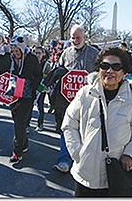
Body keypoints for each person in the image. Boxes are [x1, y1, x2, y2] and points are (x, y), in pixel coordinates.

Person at [61, 47, 132, 197]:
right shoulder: (85, 94)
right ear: (98, 69)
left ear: (124, 72)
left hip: (115, 176)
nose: (110, 71)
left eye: (116, 67)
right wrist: (77, 153)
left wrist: (130, 154)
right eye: (105, 66)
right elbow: (69, 124)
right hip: (84, 175)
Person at [52, 24, 99, 173]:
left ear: (84, 37)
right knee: (67, 128)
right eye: (72, 37)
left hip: (89, 100)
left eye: (78, 37)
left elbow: (101, 75)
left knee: (87, 131)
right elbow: (58, 73)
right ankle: (64, 160)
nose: (75, 40)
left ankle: (84, 161)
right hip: (69, 101)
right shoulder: (66, 54)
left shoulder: (95, 53)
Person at [6, 35, 42, 165]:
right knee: (17, 121)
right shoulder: (10, 59)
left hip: (27, 95)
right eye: (13, 51)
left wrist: (32, 87)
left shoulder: (31, 59)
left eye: (17, 51)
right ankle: (24, 142)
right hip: (14, 93)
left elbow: (39, 75)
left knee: (20, 123)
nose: (15, 54)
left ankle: (17, 151)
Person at [34, 46, 52, 131]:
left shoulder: (47, 64)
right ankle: (26, 125)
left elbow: (49, 76)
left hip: (42, 86)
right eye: (35, 52)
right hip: (32, 85)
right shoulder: (31, 62)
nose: (37, 55)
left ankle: (40, 123)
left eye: (39, 53)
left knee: (39, 103)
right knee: (29, 105)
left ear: (43, 54)